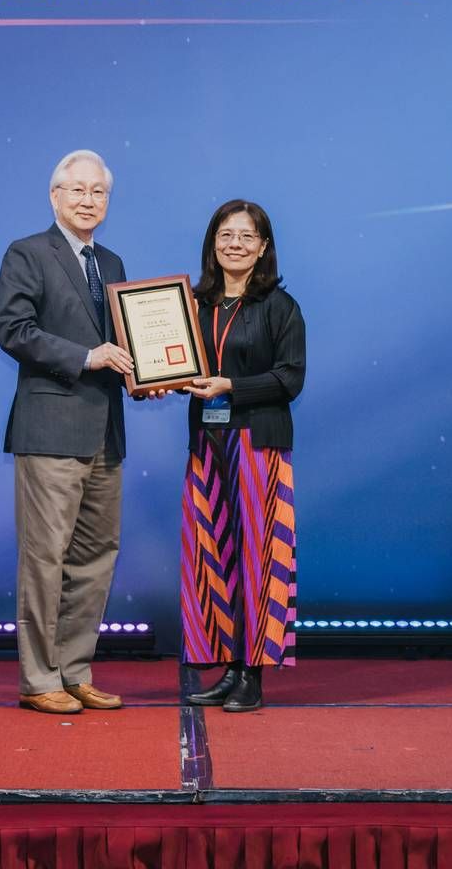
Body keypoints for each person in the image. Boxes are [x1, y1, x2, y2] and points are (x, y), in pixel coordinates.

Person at [0, 150, 136, 715]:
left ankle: (75, 671)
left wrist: (147, 375)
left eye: (98, 192)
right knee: (45, 557)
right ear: (55, 196)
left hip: (105, 432)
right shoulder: (27, 253)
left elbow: (122, 344)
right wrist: (87, 356)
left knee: (97, 556)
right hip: (50, 430)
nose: (88, 200)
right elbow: (13, 330)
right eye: (77, 190)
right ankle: (38, 678)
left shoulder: (113, 262)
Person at [178, 199, 305, 712]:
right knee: (212, 557)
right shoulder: (194, 304)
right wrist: (159, 381)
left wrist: (232, 386)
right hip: (207, 444)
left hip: (257, 442)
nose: (235, 244)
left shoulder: (279, 306)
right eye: (226, 234)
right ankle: (229, 666)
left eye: (247, 236)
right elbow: (175, 364)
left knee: (260, 555)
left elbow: (290, 378)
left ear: (263, 246)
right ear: (213, 242)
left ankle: (254, 674)